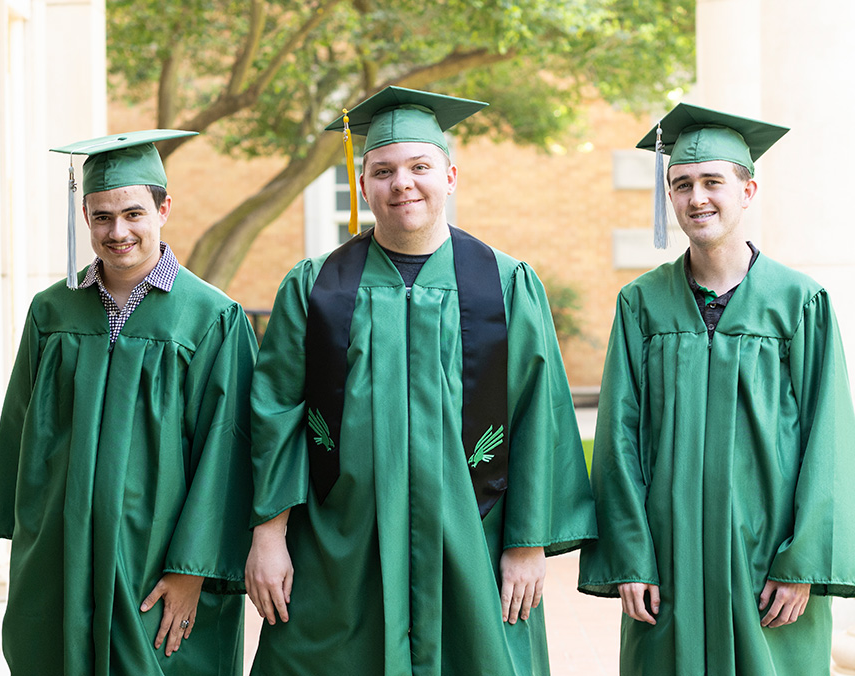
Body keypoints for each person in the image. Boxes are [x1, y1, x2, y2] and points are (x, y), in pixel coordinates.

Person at [245, 86, 596, 676]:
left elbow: (539, 413)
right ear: (363, 186)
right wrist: (269, 535)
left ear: (450, 177)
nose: (401, 183)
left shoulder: (506, 284)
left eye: (419, 167)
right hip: (341, 542)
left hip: (473, 540)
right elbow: (276, 410)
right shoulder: (315, 287)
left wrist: (528, 543)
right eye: (383, 171)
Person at [578, 103, 855, 674]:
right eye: (682, 184)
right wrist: (631, 556)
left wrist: (801, 563)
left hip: (767, 566)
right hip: (667, 563)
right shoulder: (641, 304)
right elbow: (618, 438)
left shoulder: (799, 302)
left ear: (747, 191)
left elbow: (828, 438)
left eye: (713, 181)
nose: (697, 198)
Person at [0, 130, 258, 676]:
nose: (118, 232)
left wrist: (192, 569)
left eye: (134, 213)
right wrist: (29, 539)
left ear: (164, 209)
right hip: (62, 551)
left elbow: (228, 448)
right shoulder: (51, 311)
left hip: (157, 558)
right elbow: (21, 431)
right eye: (103, 217)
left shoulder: (211, 317)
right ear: (85, 217)